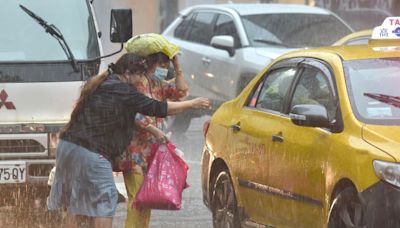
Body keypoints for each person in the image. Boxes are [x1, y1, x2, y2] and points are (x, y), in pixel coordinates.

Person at [47, 53, 210, 228]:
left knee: (76, 202)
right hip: (91, 152)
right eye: (139, 74)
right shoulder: (124, 91)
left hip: (67, 147)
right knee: (105, 200)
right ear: (127, 72)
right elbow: (157, 107)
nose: (141, 78)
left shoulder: (101, 83)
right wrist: (191, 104)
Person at [122, 50, 188, 228]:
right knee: (137, 201)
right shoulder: (133, 84)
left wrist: (178, 66)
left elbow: (181, 93)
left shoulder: (157, 83)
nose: (163, 69)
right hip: (133, 151)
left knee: (147, 200)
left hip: (152, 151)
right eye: (161, 65)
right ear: (150, 63)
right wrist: (155, 131)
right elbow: (132, 114)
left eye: (166, 66)